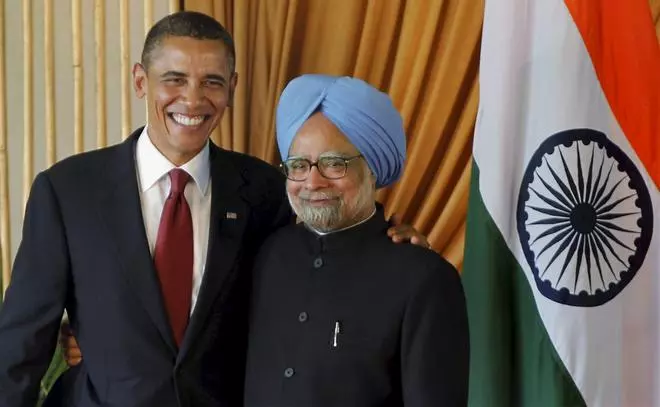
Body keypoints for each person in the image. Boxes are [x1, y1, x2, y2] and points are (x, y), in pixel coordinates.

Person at [0, 11, 424, 407]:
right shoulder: (68, 190)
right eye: (175, 79)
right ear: (140, 81)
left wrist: (387, 242)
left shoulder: (267, 190)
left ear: (232, 88)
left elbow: (319, 270)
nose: (193, 98)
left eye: (212, 82)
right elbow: (23, 341)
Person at [243, 74, 469, 406]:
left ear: (373, 169)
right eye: (299, 165)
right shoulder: (269, 253)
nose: (313, 181)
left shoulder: (424, 279)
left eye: (335, 164)